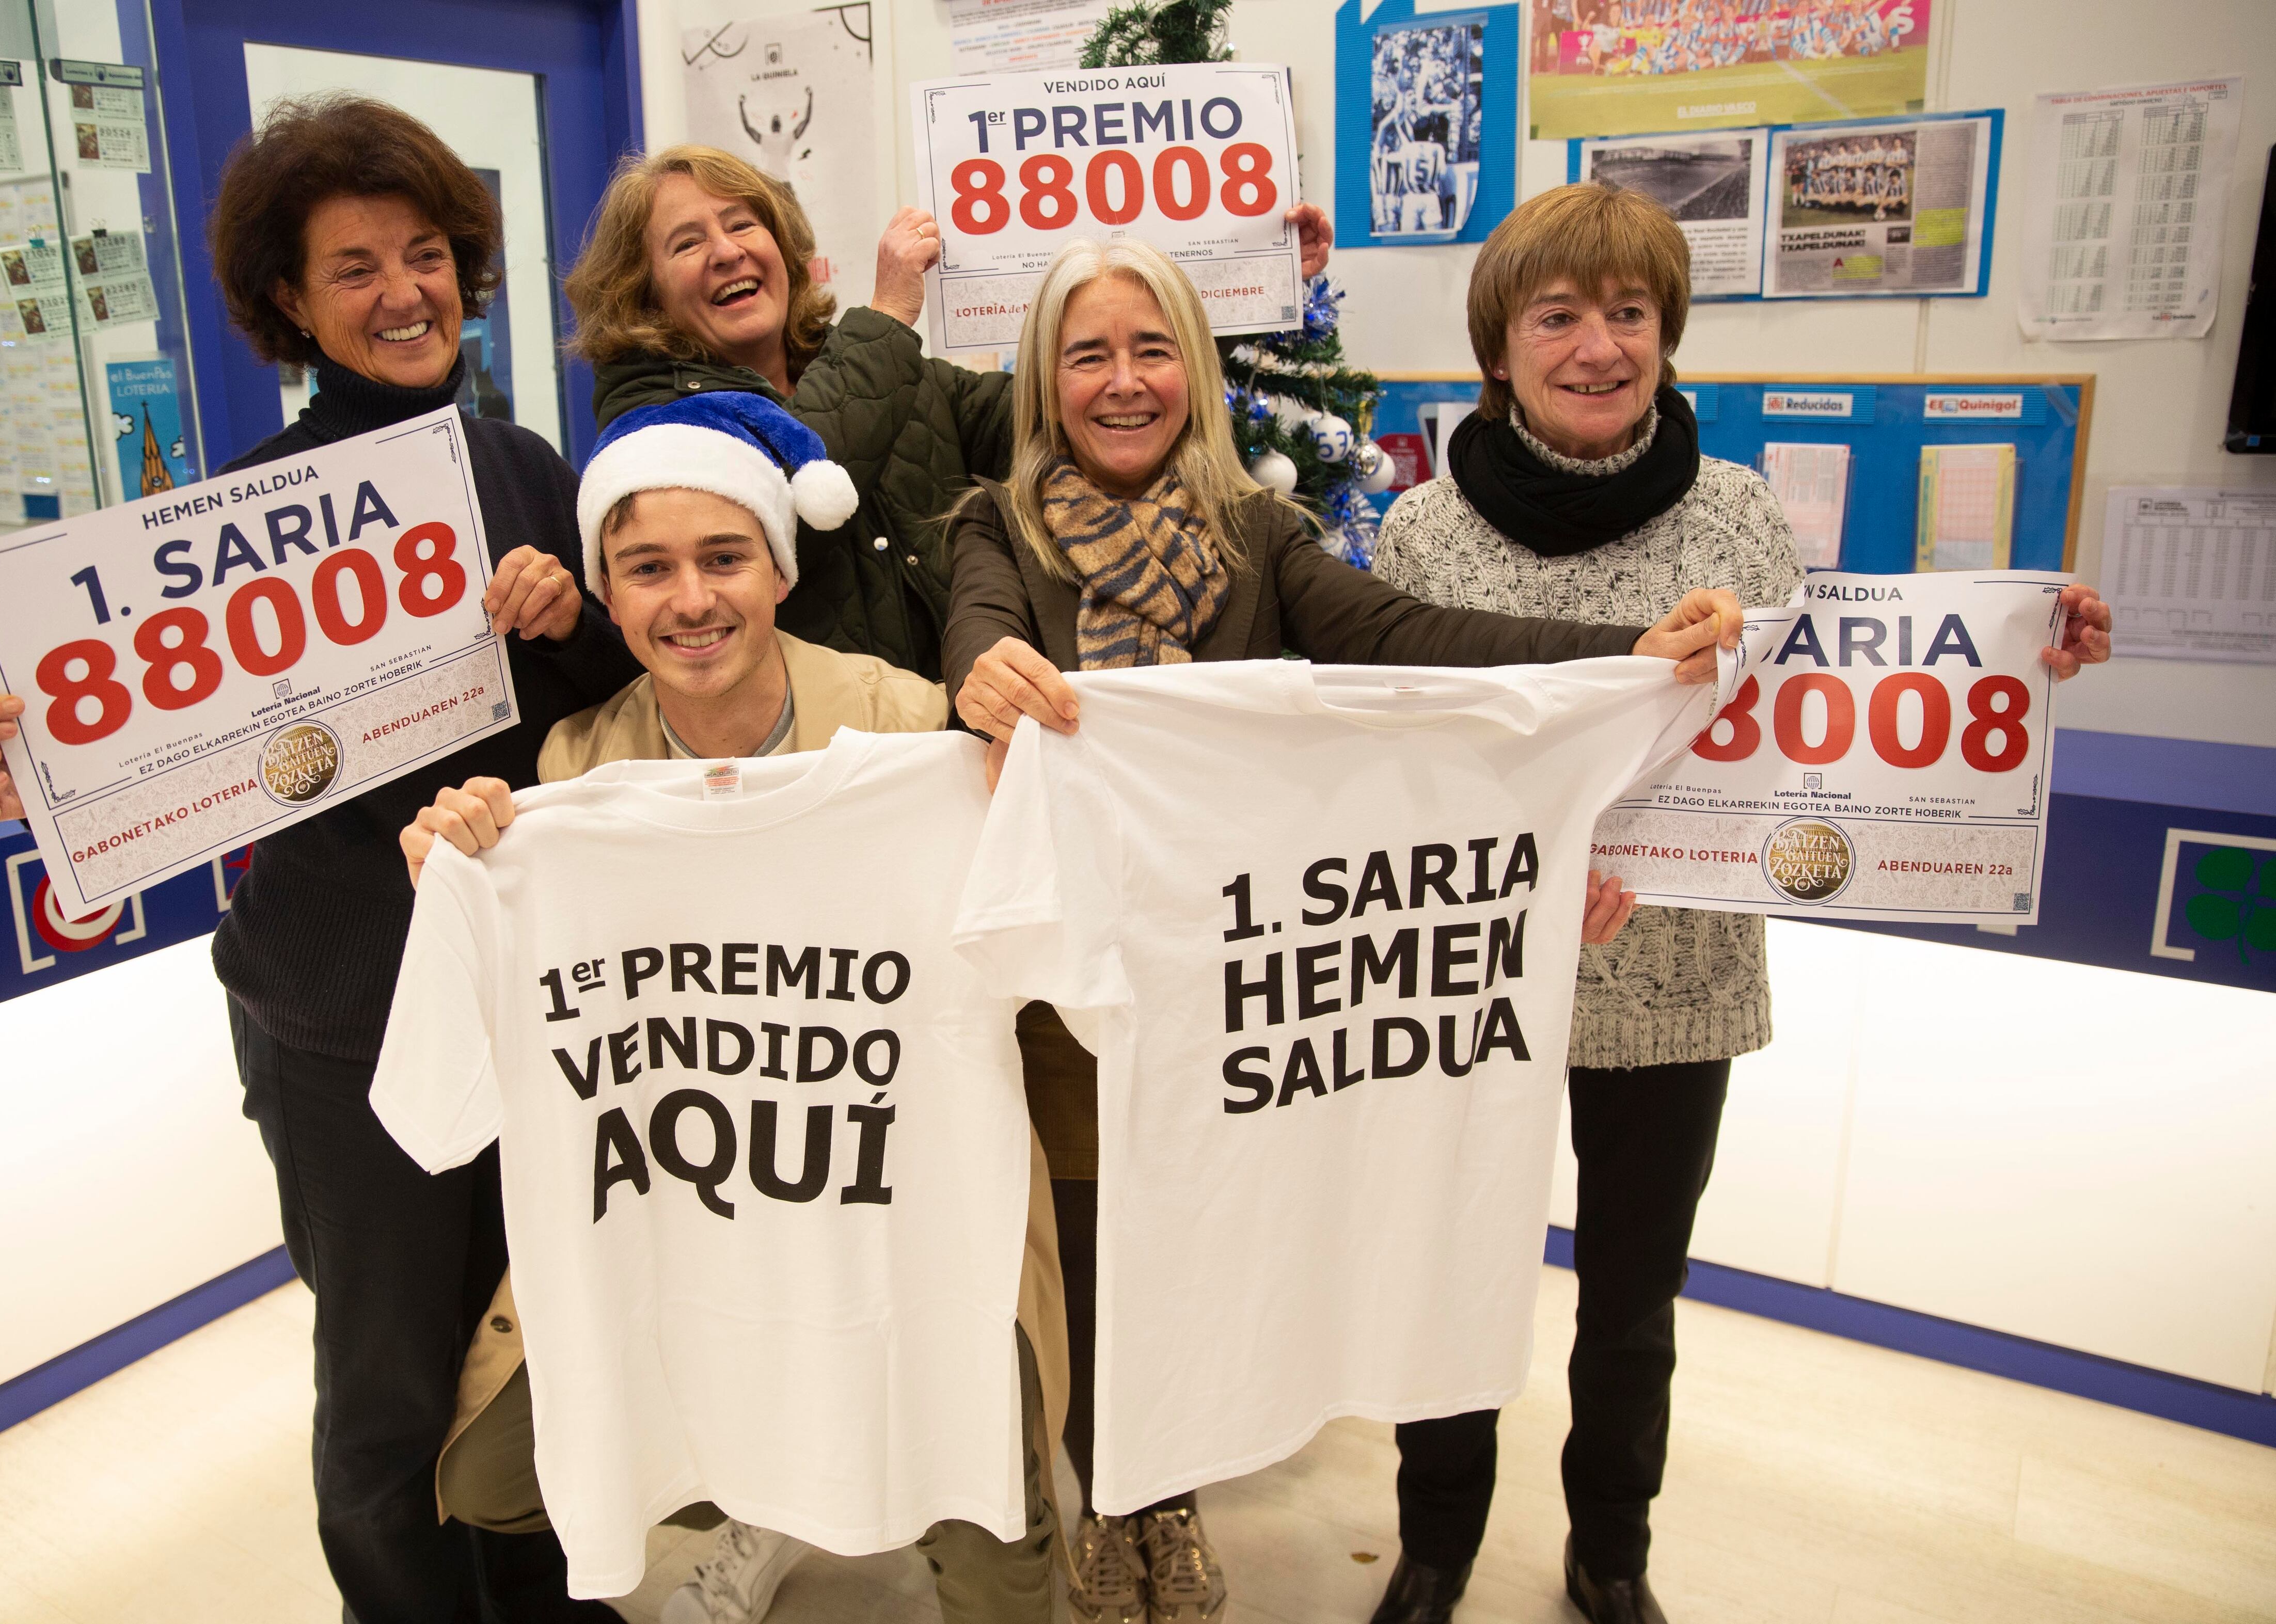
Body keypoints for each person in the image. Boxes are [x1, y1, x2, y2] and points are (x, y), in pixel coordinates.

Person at [940, 235, 1744, 1624]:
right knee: (1089, 1258)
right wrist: (983, 671)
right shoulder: (991, 525)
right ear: (1045, 378)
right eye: (1089, 353)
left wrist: (1622, 661)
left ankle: (1173, 1498)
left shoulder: (1262, 537)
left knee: (1198, 1244)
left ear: (1191, 368)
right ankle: (1107, 1506)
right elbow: (979, 629)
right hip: (1071, 991)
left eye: (1150, 349)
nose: (1123, 380)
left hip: (1236, 979)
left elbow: (1409, 634)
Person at [0, 93, 642, 1622]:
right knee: (388, 1393)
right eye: (354, 269)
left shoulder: (528, 471)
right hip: (344, 1018)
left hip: (532, 997)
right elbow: (150, 750)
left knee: (541, 1357)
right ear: (289, 305)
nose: (405, 293)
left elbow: (610, 725)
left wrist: (572, 621)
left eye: (427, 254)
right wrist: (30, 770)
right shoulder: (224, 520)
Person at [1363, 181, 2113, 1624]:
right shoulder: (1422, 535)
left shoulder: (1743, 516)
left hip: (1678, 978)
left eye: (1630, 313)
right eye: (1560, 315)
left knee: (1632, 1304)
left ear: (1669, 334)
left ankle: (1611, 1555)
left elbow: (1831, 707)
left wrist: (2025, 652)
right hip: (1477, 984)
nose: (1599, 345)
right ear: (1499, 350)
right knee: (1443, 1284)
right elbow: (1401, 762)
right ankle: (1437, 1545)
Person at [396, 391, 1070, 1624]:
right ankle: (763, 1476)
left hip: (909, 1214)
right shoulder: (572, 777)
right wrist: (460, 878)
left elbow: (1057, 932)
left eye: (723, 558)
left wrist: (1039, 762)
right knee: (499, 1477)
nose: (691, 600)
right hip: (697, 1216)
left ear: (780, 566)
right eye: (648, 569)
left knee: (992, 1525)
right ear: (606, 593)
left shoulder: (913, 727)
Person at [561, 144, 1337, 679]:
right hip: (813, 766)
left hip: (951, 740)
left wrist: (1240, 290)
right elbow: (804, 475)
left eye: (742, 225)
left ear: (783, 247)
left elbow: (1070, 408)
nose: (727, 251)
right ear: (644, 286)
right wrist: (892, 313)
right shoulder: (652, 416)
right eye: (688, 243)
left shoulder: (883, 368)